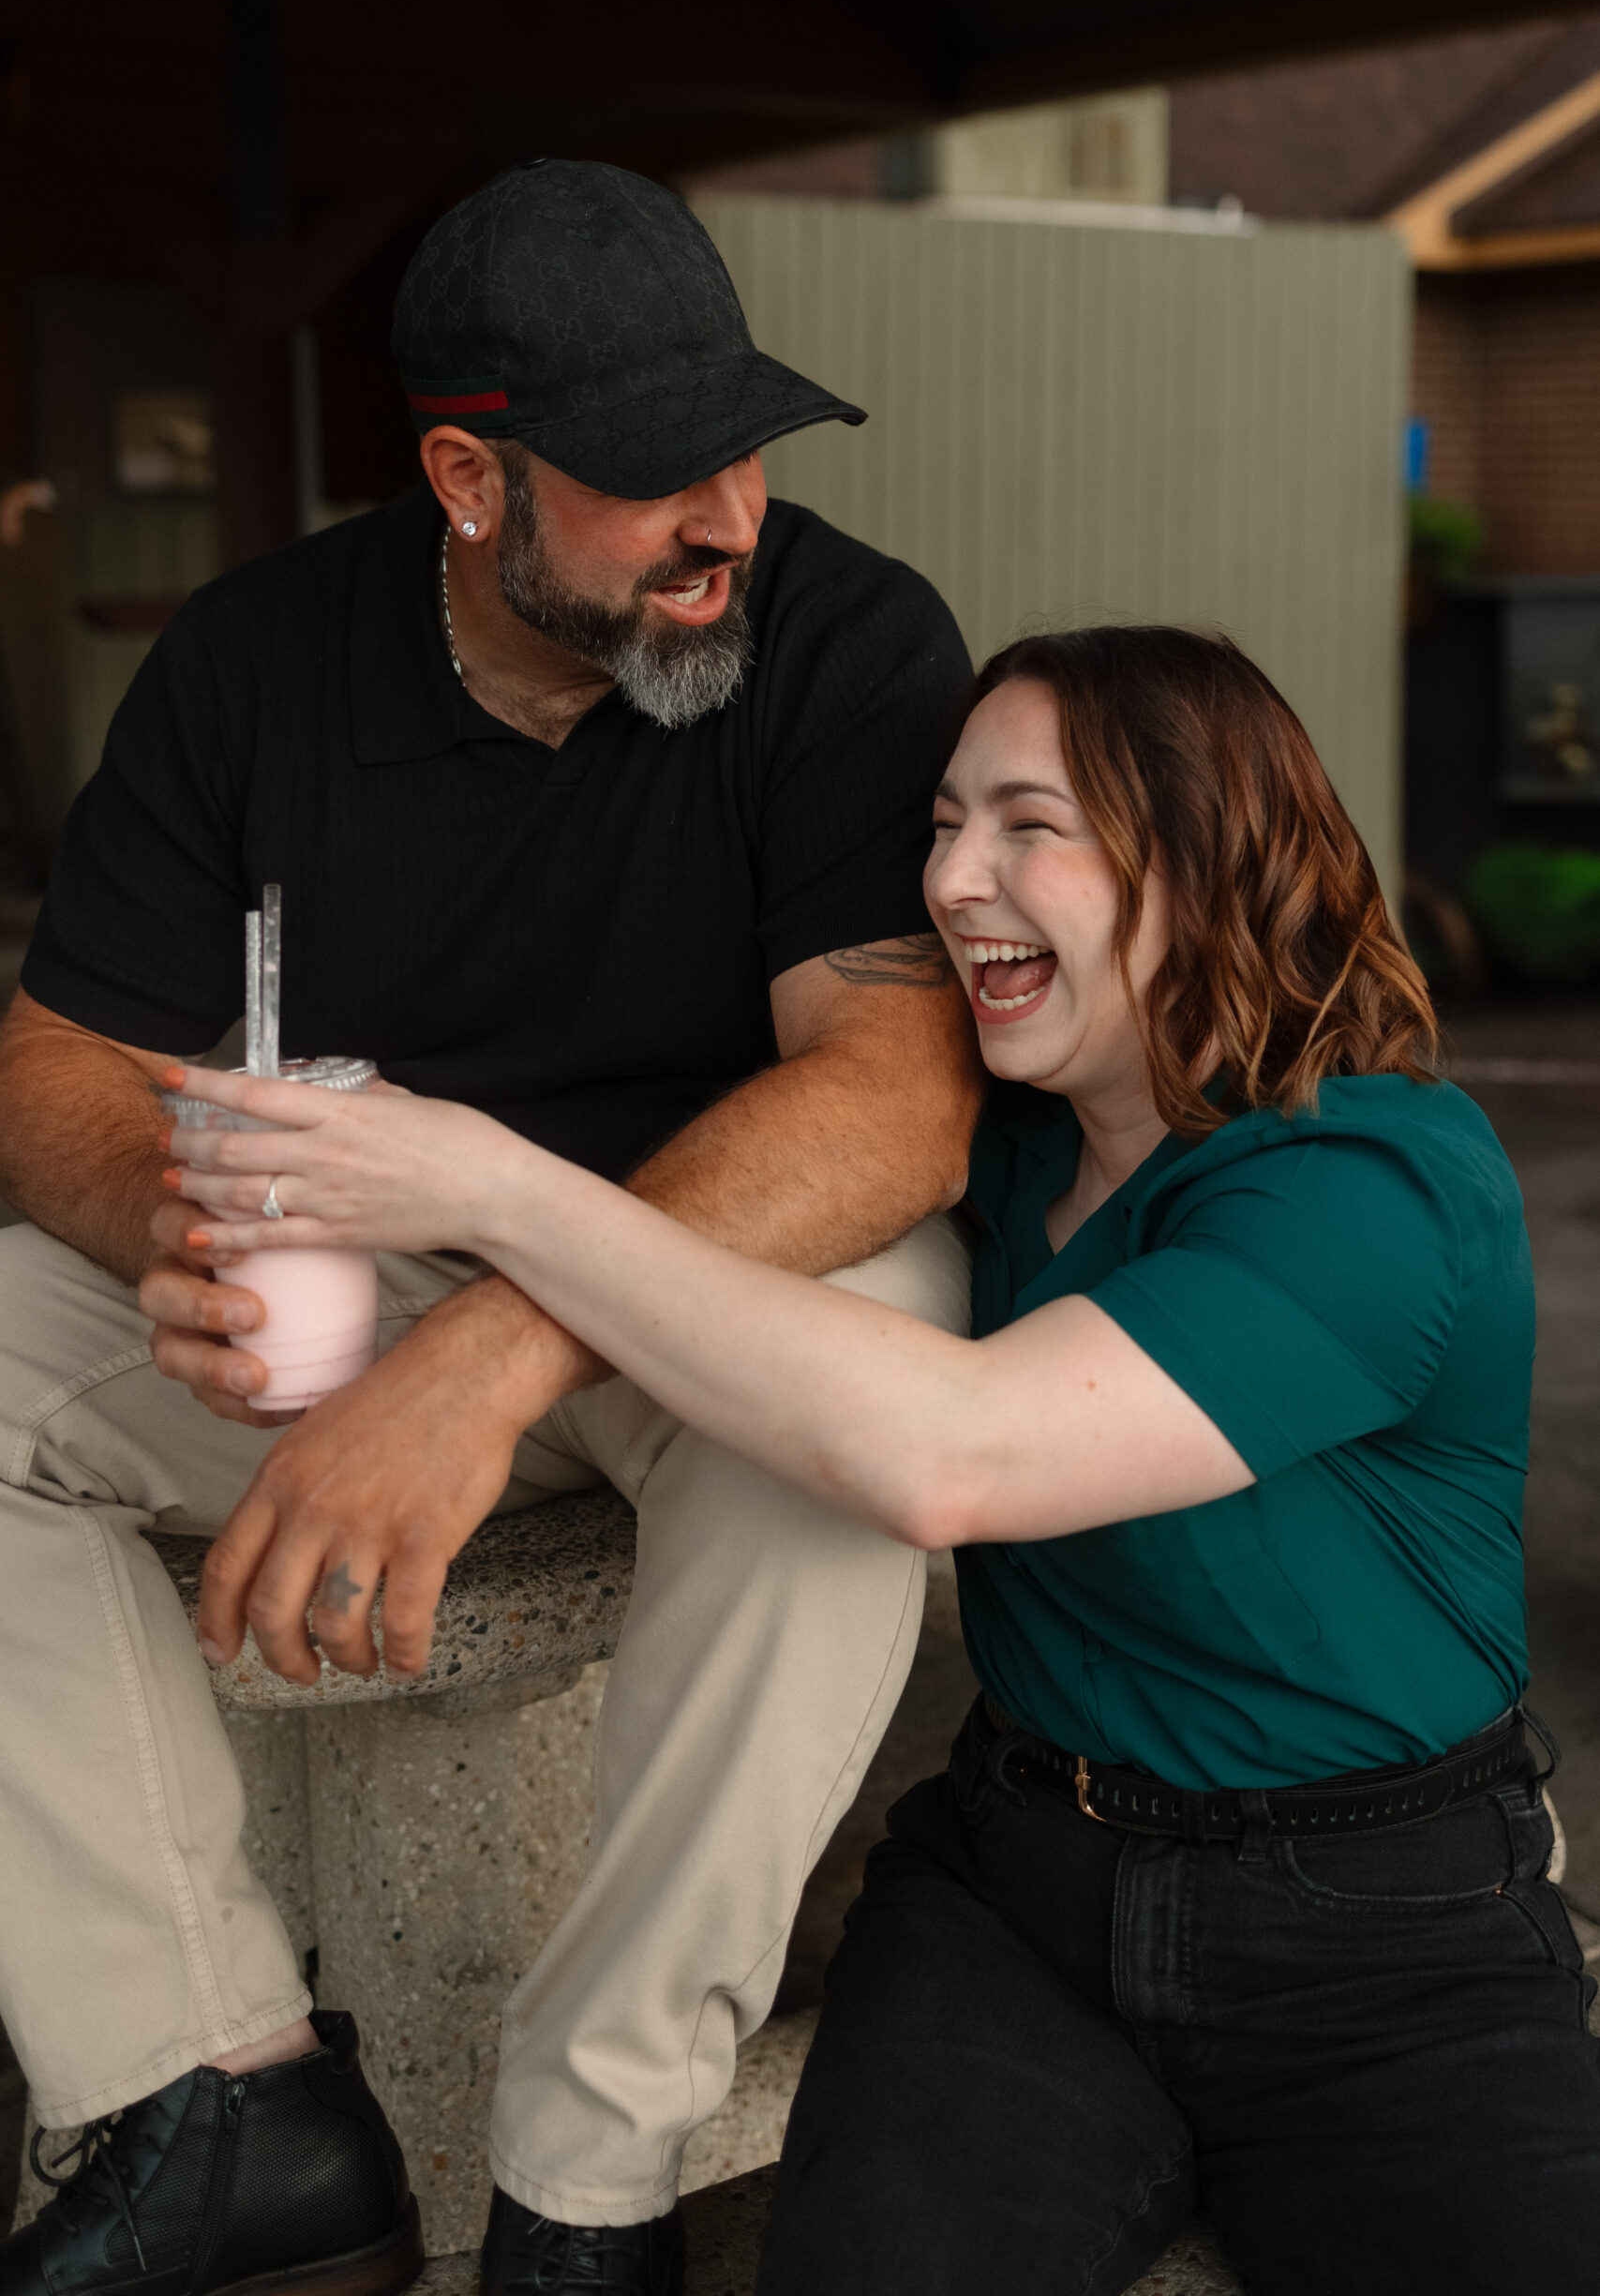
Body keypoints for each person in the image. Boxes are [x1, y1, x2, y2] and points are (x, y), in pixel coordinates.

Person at [162, 624, 1600, 2296]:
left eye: (1027, 824)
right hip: (1021, 1899)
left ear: (1208, 855)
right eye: (941, 819)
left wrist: (490, 1190)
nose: (952, 877)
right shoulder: (1013, 1145)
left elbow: (949, 1461)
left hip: (1379, 1936)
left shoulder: (1379, 1177)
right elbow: (740, 1263)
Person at [0, 161, 981, 2296]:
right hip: (350, 1271)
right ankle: (210, 2085)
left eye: (741, 444)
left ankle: (585, 2179)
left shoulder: (841, 632)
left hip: (698, 1271)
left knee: (873, 1369)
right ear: (467, 474)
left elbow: (895, 1093)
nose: (723, 512)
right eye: (650, 477)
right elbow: (55, 1054)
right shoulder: (255, 655)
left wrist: (495, 1349)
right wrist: (163, 1226)